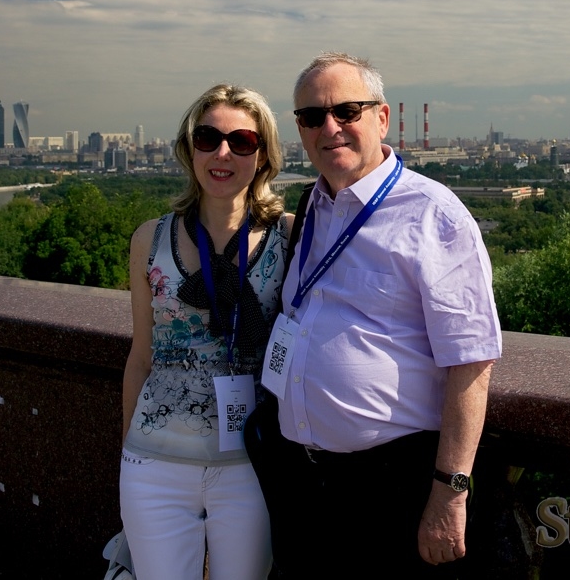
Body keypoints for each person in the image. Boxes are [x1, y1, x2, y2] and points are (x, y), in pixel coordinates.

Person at [255, 52, 502, 578]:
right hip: (300, 483)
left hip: (391, 485)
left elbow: (472, 363)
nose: (330, 127)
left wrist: (450, 492)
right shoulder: (312, 207)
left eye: (347, 110)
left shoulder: (434, 215)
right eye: (312, 116)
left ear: (382, 117)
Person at [121, 84, 289, 580]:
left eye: (242, 141)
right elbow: (141, 356)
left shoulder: (290, 236)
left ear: (263, 156)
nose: (222, 153)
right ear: (188, 148)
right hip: (155, 465)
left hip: (252, 465)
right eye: (208, 138)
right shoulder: (150, 239)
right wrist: (128, 451)